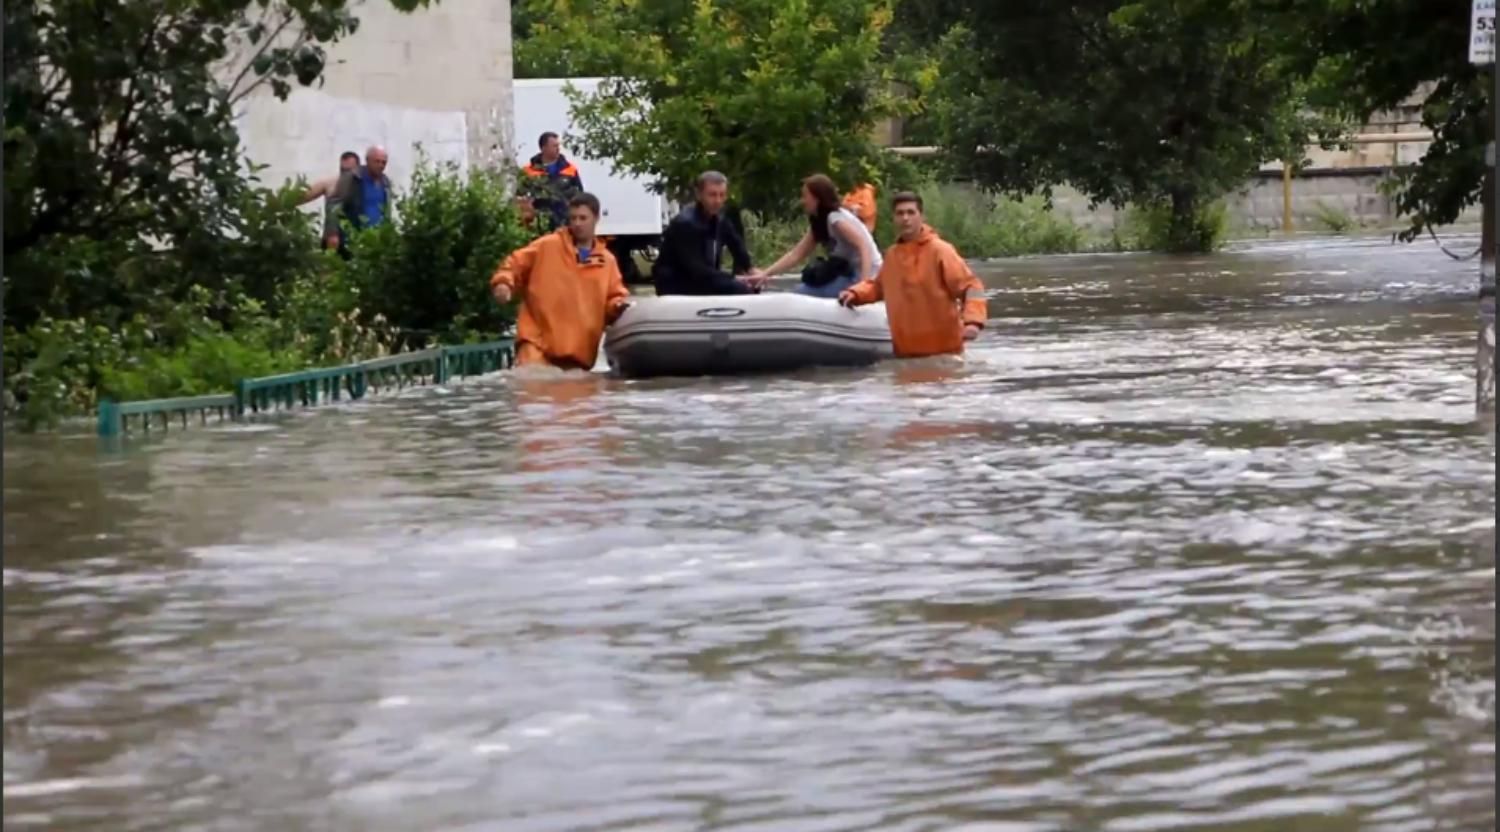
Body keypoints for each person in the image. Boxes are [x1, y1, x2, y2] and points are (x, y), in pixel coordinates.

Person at [489, 192, 631, 371]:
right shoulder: (547, 246)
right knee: (532, 388)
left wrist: (619, 306)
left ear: (596, 218)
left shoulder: (607, 262)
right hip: (536, 346)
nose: (577, 223)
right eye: (573, 218)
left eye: (583, 218)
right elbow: (515, 263)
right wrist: (503, 283)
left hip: (578, 357)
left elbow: (614, 298)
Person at [838, 191, 987, 358]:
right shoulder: (892, 255)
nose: (905, 218)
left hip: (944, 354)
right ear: (893, 219)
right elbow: (878, 287)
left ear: (921, 216)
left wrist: (973, 322)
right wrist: (855, 293)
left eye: (911, 212)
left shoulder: (940, 250)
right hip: (906, 355)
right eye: (900, 213)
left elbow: (971, 286)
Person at [759, 174, 883, 300]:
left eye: (805, 196)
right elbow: (796, 255)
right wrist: (765, 273)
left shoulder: (835, 218)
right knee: (802, 290)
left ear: (817, 198)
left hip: (865, 274)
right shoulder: (819, 222)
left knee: (803, 295)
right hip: (847, 272)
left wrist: (862, 287)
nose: (803, 201)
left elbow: (863, 245)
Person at [652, 171, 767, 296]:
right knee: (740, 289)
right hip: (677, 284)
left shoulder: (719, 219)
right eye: (712, 195)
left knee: (752, 287)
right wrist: (732, 279)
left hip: (701, 278)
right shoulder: (685, 223)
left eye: (722, 195)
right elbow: (696, 268)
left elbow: (736, 244)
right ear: (699, 195)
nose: (718, 201)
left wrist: (750, 269)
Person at [324, 145, 392, 255]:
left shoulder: (385, 183)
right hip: (353, 238)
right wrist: (332, 233)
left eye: (383, 162)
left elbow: (387, 211)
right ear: (367, 160)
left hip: (376, 241)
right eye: (377, 161)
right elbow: (334, 204)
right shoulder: (352, 178)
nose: (380, 165)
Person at [523, 131, 585, 229]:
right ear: (543, 148)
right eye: (554, 146)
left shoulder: (570, 169)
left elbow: (580, 195)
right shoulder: (529, 170)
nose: (558, 149)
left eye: (558, 145)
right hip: (539, 224)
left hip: (564, 223)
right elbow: (522, 197)